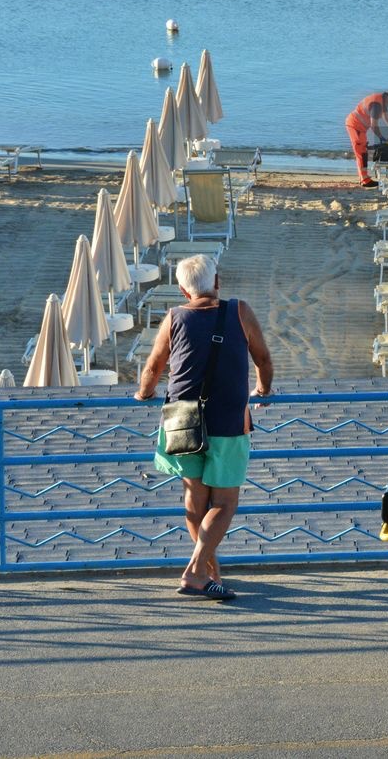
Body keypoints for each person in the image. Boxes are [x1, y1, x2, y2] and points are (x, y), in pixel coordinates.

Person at [136, 255, 274, 602]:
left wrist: (143, 393)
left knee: (195, 497)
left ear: (183, 290)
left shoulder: (174, 317)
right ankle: (197, 572)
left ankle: (211, 573)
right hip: (228, 419)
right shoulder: (239, 311)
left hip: (182, 418)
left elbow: (154, 366)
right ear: (217, 282)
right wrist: (263, 391)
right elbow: (263, 358)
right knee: (225, 502)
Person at [345, 89, 388, 188]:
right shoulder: (377, 105)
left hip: (360, 128)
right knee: (361, 153)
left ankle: (364, 178)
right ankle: (365, 181)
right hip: (355, 126)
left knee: (363, 152)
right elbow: (374, 126)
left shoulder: (381, 100)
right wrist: (381, 137)